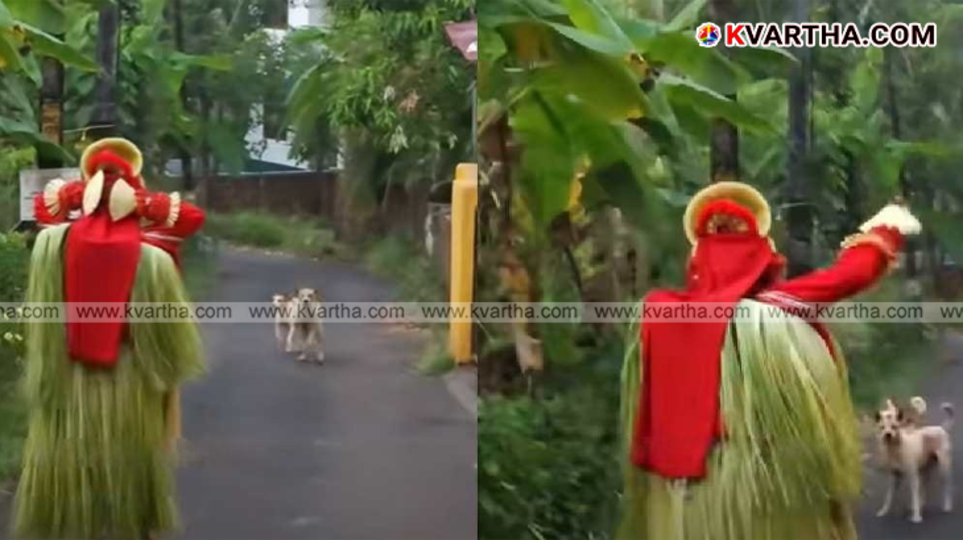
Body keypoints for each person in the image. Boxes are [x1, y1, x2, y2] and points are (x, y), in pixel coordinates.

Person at [618, 182, 921, 540]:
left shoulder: (658, 316)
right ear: (761, 261)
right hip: (762, 486)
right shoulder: (776, 307)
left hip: (677, 496)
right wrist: (887, 225)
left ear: (697, 261)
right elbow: (851, 274)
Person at [13, 138, 206, 539]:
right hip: (133, 376)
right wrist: (143, 202)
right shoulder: (152, 251)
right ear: (133, 183)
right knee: (131, 472)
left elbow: (42, 211)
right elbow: (190, 218)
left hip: (65, 377)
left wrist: (75, 195)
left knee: (66, 466)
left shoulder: (54, 243)